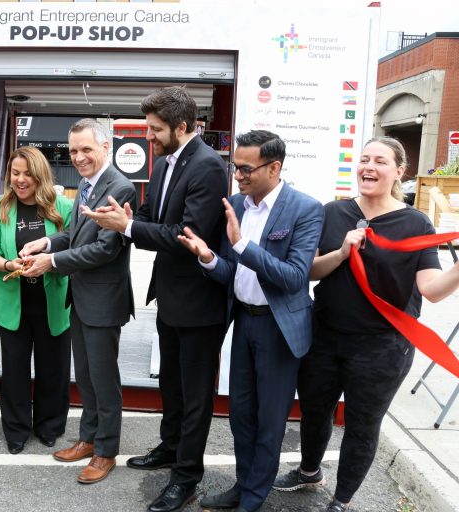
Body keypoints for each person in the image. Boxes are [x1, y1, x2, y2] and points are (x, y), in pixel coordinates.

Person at [273, 136, 459, 512]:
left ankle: (341, 501)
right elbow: (307, 271)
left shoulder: (415, 222)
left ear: (398, 172)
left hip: (383, 347)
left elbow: (432, 291)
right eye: (364, 159)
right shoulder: (331, 212)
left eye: (380, 161)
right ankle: (310, 472)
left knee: (361, 425)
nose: (368, 167)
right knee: (313, 411)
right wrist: (342, 253)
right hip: (324, 335)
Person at [82, 86, 228, 511]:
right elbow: (152, 217)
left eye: (155, 129)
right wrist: (127, 218)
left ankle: (186, 479)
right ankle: (170, 448)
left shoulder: (208, 167)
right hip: (171, 296)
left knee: (196, 394)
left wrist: (125, 229)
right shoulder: (165, 164)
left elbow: (186, 236)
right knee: (172, 384)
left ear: (182, 127)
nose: (148, 136)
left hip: (200, 305)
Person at [178, 131, 324, 512]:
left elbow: (294, 277)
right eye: (235, 167)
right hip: (243, 322)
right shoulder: (239, 206)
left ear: (274, 168)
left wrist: (243, 245)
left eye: (246, 168)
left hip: (279, 328)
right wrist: (209, 257)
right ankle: (244, 486)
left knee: (269, 419)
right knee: (241, 414)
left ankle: (254, 497)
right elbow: (234, 274)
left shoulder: (305, 209)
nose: (238, 176)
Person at [21, 118, 136, 484]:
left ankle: (105, 451)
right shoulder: (87, 185)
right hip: (83, 298)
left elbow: (104, 249)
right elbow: (74, 233)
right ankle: (88, 438)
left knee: (104, 380)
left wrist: (51, 262)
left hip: (104, 301)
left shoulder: (120, 187)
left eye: (86, 149)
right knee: (85, 378)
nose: (79, 157)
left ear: (106, 147)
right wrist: (48, 242)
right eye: (73, 151)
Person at [0, 146, 73, 454]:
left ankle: (49, 426)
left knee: (53, 368)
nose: (20, 180)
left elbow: (71, 249)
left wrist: (49, 260)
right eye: (15, 173)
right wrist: (11, 265)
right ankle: (16, 430)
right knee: (15, 369)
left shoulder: (63, 206)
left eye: (27, 174)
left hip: (54, 301)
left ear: (40, 176)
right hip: (12, 301)